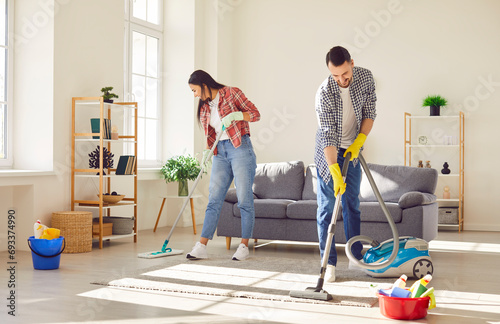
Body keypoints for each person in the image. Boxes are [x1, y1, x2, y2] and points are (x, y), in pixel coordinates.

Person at [314, 46, 376, 281]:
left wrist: (360, 140)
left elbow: (370, 111)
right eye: (335, 75)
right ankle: (328, 264)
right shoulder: (325, 92)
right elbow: (327, 135)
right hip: (329, 151)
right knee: (327, 207)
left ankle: (355, 257)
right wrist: (334, 170)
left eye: (344, 74)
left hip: (353, 148)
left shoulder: (365, 77)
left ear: (352, 63)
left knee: (352, 204)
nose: (341, 80)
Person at [186, 70, 260, 261]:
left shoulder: (231, 93)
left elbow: (255, 114)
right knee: (214, 198)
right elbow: (210, 133)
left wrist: (236, 115)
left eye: (195, 90)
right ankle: (201, 246)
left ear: (204, 85)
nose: (194, 95)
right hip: (220, 151)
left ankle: (244, 246)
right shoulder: (204, 108)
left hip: (240, 148)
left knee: (244, 200)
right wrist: (206, 152)